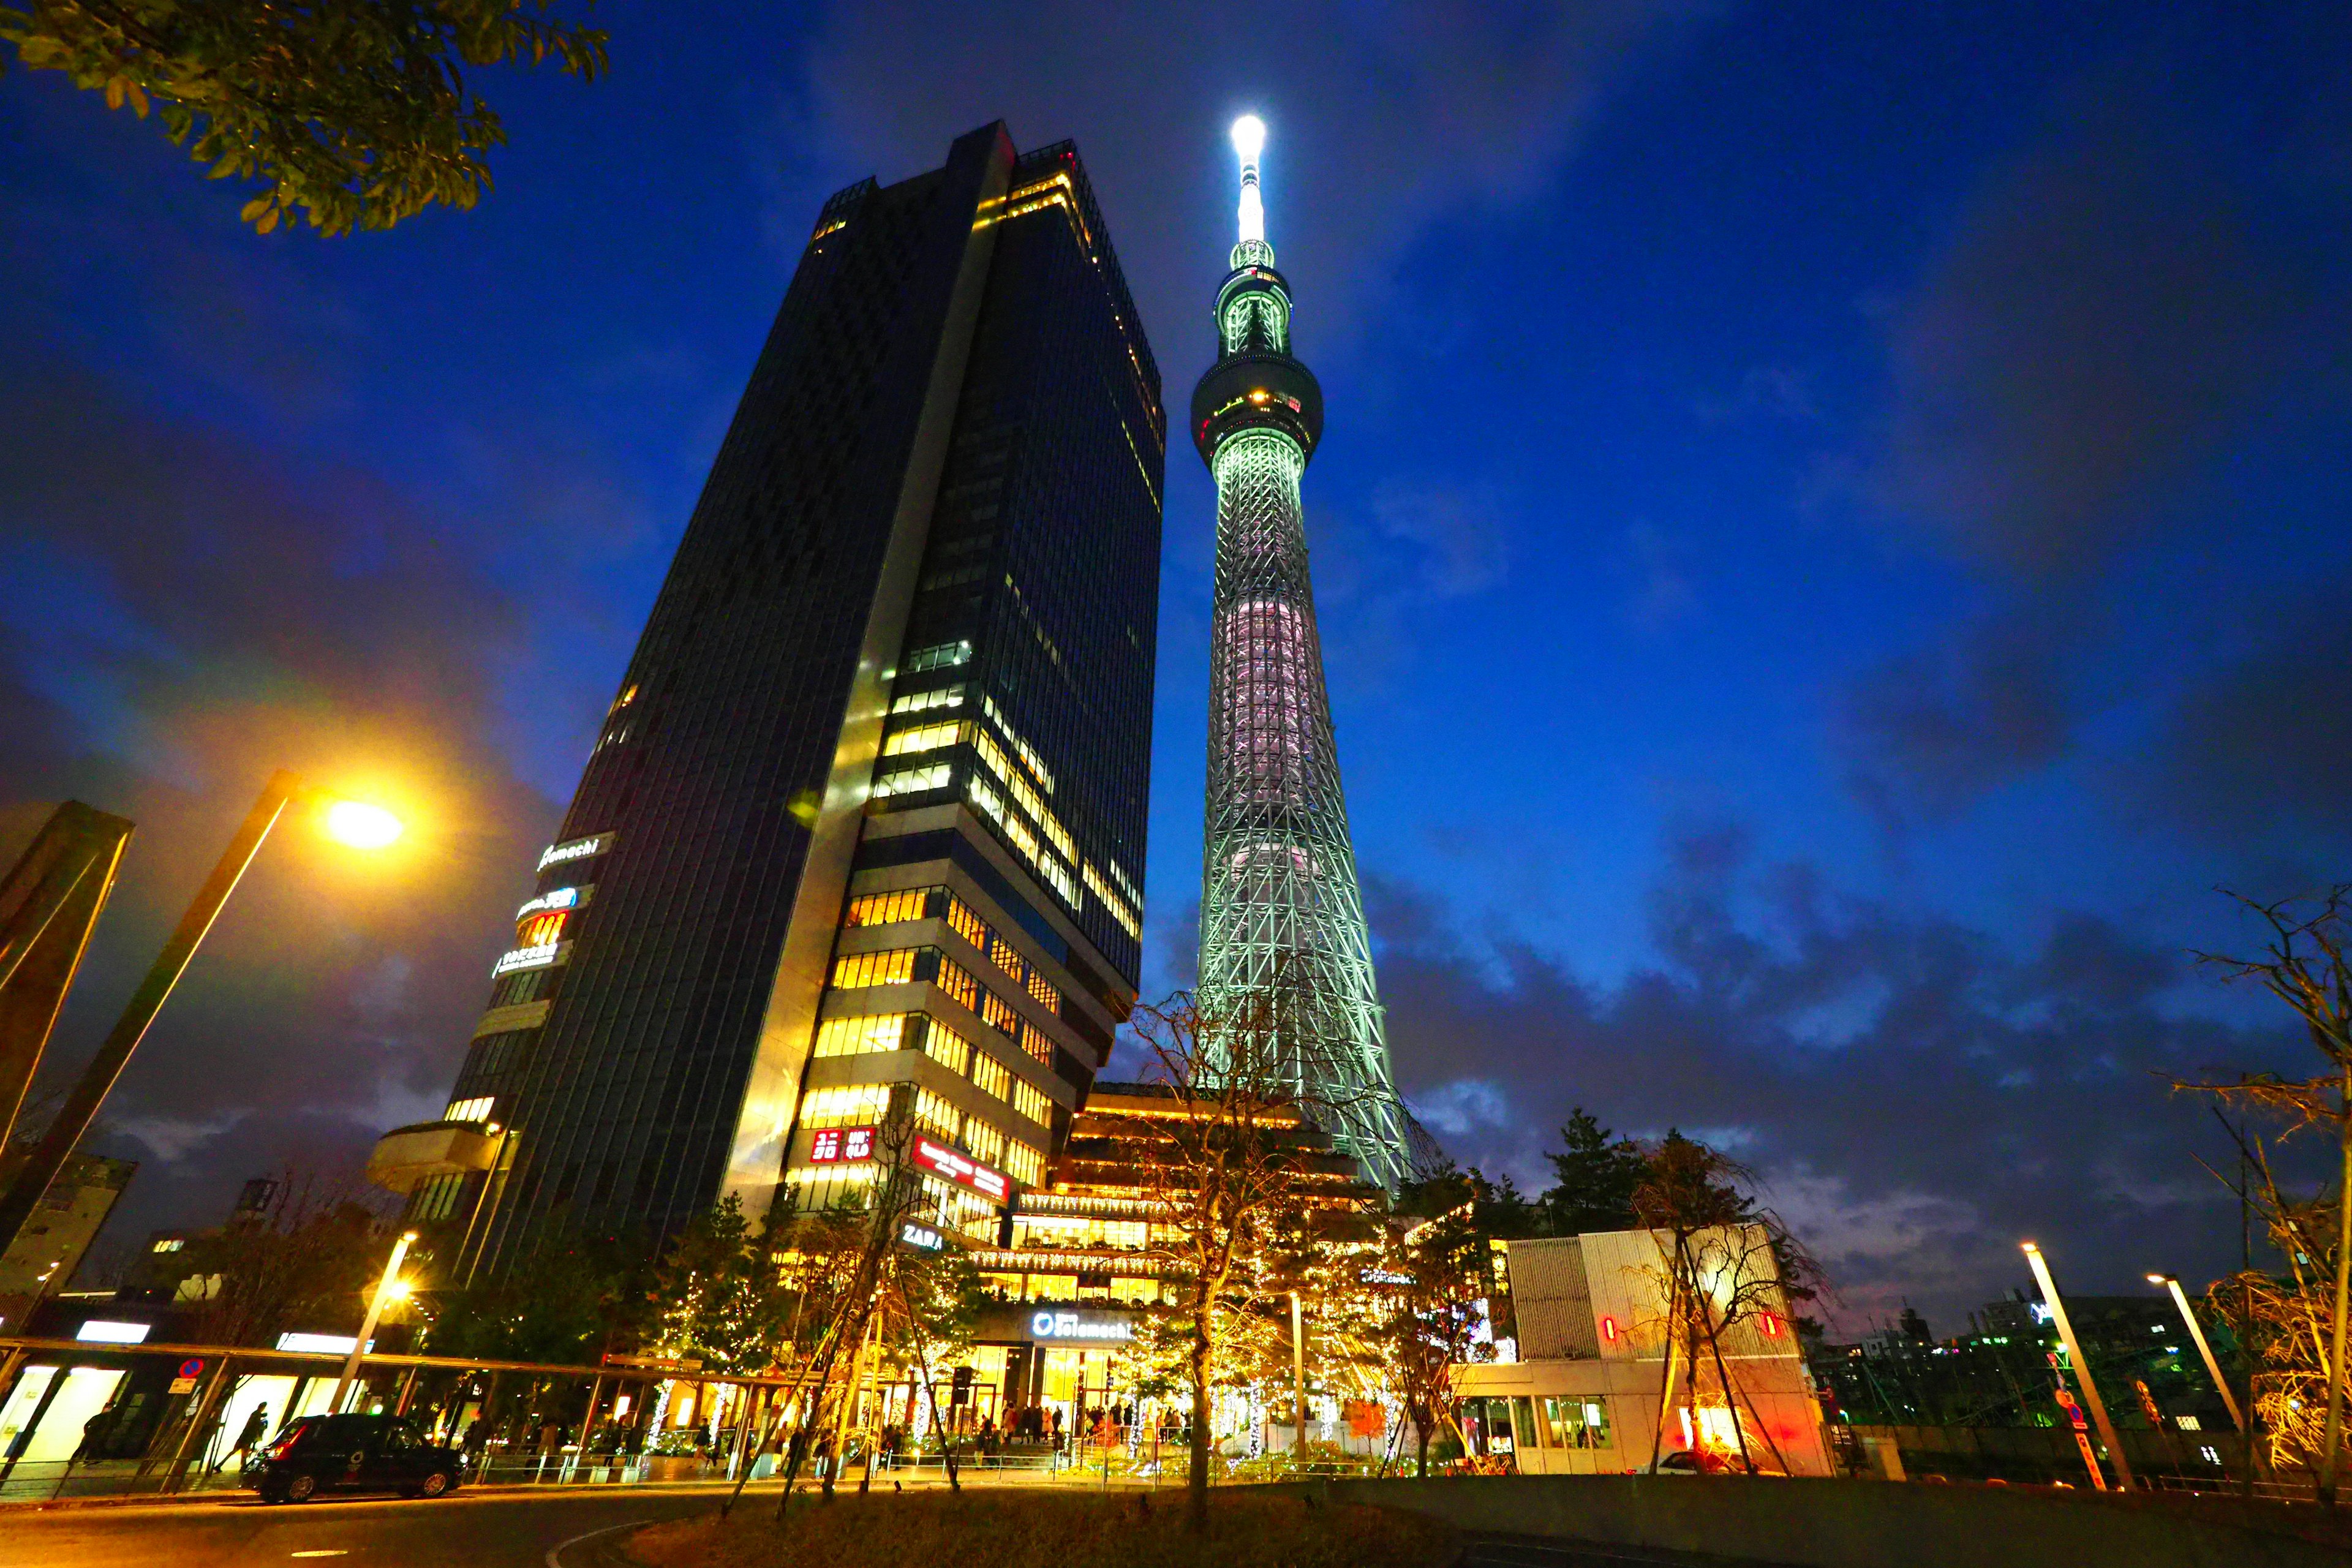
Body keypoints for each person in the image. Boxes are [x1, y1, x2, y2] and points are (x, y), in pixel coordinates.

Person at [212, 1404, 270, 1474]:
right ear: (263, 1408)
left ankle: (221, 1465)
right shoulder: (257, 1415)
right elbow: (255, 1425)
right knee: (244, 1453)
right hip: (248, 1437)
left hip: (244, 1436)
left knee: (235, 1452)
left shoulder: (255, 1414)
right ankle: (243, 1467)